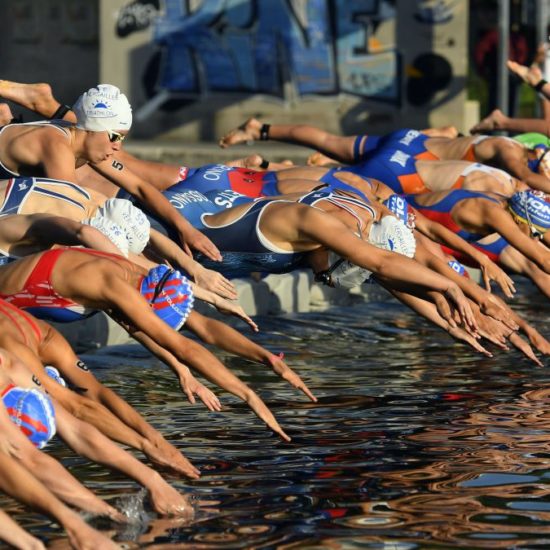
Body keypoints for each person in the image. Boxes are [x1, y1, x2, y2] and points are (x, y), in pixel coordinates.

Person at [0, 247, 309, 441]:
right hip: (9, 325)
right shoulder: (112, 285)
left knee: (76, 396)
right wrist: (248, 395)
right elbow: (180, 344)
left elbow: (200, 328)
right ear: (145, 304)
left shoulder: (139, 273)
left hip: (19, 322)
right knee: (50, 406)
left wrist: (269, 359)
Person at [0, 83, 220, 261]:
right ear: (94, 128)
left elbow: (140, 187)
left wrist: (185, 228)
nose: (118, 146)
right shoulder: (57, 147)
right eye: (115, 136)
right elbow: (76, 216)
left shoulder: (82, 143)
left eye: (122, 138)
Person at [0, 348, 193, 519]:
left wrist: (153, 478)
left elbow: (76, 430)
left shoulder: (8, 363)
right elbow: (27, 457)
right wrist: (95, 515)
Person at [0, 177, 237, 299]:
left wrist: (196, 270)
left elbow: (148, 235)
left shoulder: (94, 201)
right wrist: (203, 293)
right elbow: (130, 261)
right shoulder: (65, 226)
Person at [218, 119, 550, 193]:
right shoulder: (511, 152)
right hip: (407, 161)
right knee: (332, 181)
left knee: (327, 140)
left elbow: (448, 133)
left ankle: (259, 129)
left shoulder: (503, 143)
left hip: (408, 141)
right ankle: (263, 172)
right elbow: (528, 178)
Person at [403, 188, 550, 298]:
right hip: (402, 223)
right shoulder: (493, 212)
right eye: (536, 233)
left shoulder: (508, 202)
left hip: (427, 236)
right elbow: (543, 259)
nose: (536, 239)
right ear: (519, 220)